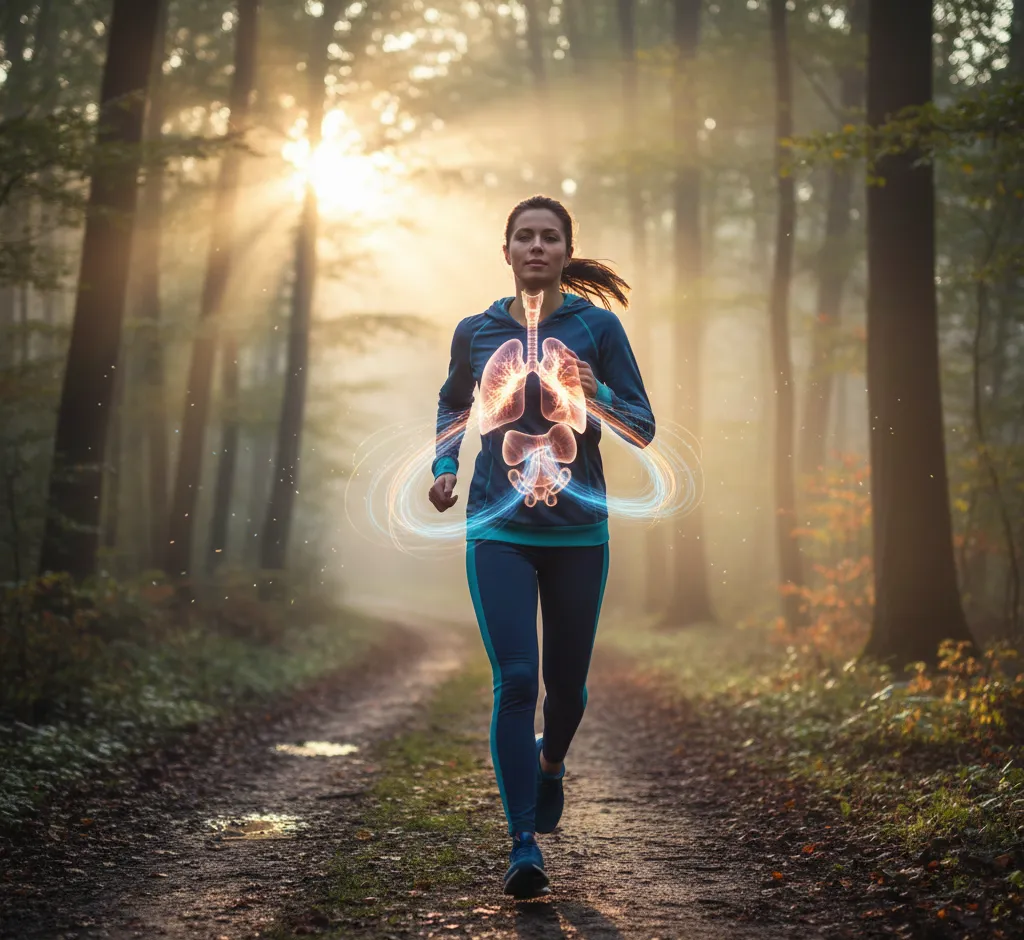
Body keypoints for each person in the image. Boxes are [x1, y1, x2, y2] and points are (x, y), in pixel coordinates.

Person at [427, 195, 655, 899]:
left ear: (565, 252)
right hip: (497, 529)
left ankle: (551, 762)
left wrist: (598, 389)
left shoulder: (597, 327)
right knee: (517, 682)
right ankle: (523, 843)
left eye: (548, 237)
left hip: (579, 533)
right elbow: (453, 404)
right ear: (506, 251)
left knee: (567, 692)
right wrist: (445, 465)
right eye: (523, 236)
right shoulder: (476, 330)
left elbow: (643, 427)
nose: (535, 246)